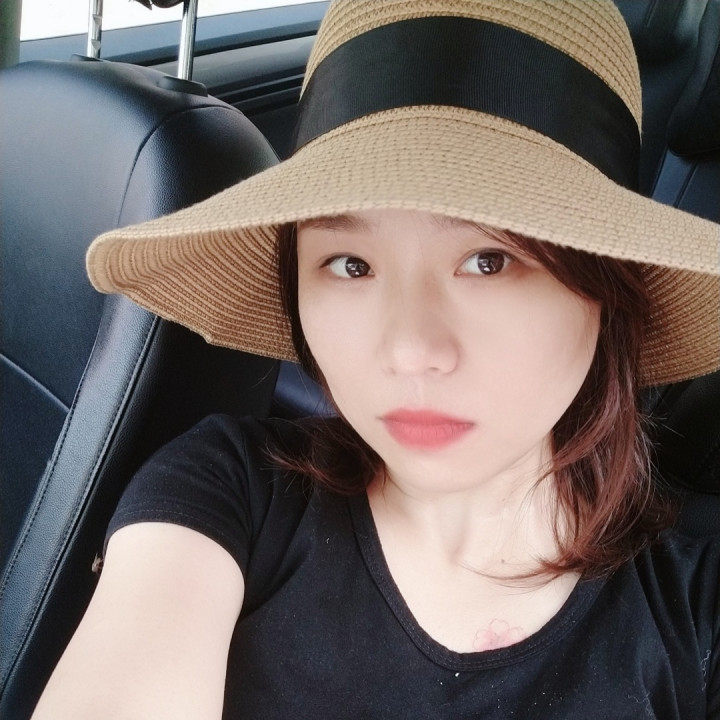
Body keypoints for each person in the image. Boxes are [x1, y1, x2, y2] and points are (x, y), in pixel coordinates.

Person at [32, 1, 719, 718]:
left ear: (606, 292)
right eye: (350, 264)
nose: (409, 352)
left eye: (489, 261)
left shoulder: (695, 615)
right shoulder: (224, 491)